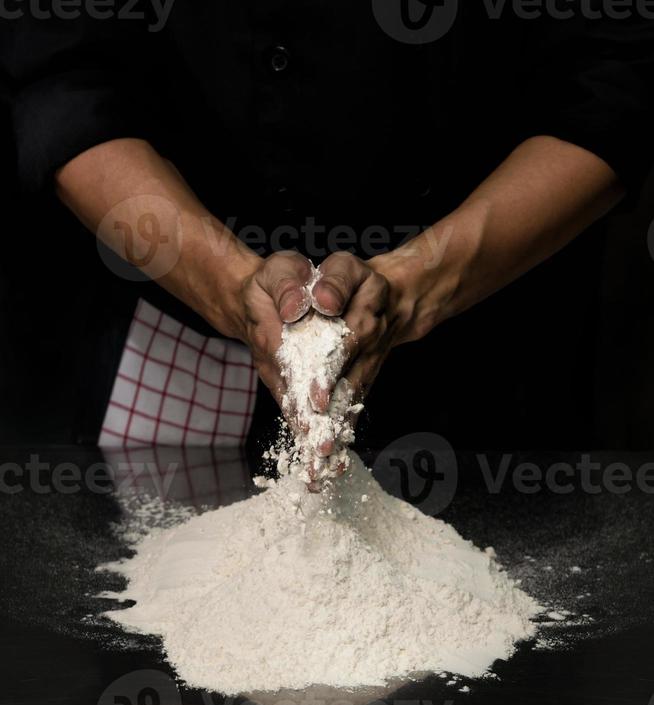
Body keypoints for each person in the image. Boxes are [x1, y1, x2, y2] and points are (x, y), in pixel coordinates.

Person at [1, 1, 653, 452]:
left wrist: (424, 277)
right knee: (149, 630)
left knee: (477, 627)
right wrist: (223, 278)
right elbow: (63, 75)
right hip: (174, 332)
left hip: (482, 333)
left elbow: (611, 78)